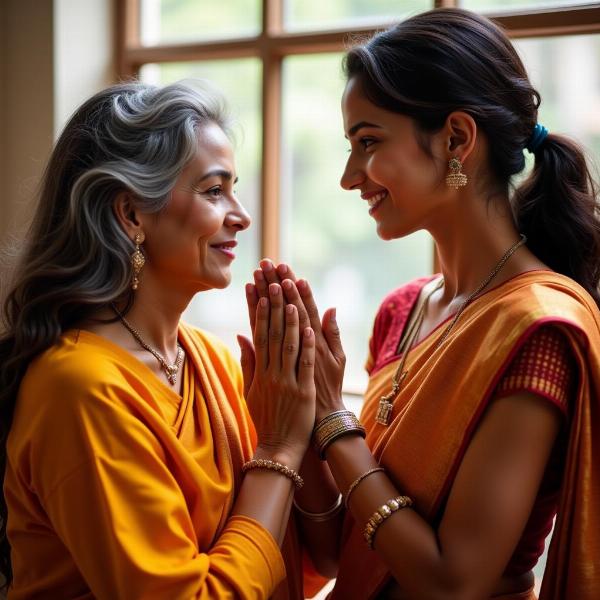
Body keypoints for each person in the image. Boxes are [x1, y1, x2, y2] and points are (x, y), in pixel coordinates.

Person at [248, 8, 600, 600]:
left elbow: (451, 582)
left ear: (457, 139)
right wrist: (297, 415)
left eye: (368, 142)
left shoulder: (535, 331)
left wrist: (334, 420)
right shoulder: (403, 310)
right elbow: (346, 551)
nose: (347, 176)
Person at [0, 81, 321, 599]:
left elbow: (304, 556)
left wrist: (317, 409)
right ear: (131, 214)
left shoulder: (214, 360)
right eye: (214, 191)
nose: (241, 215)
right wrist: (279, 447)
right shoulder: (80, 389)